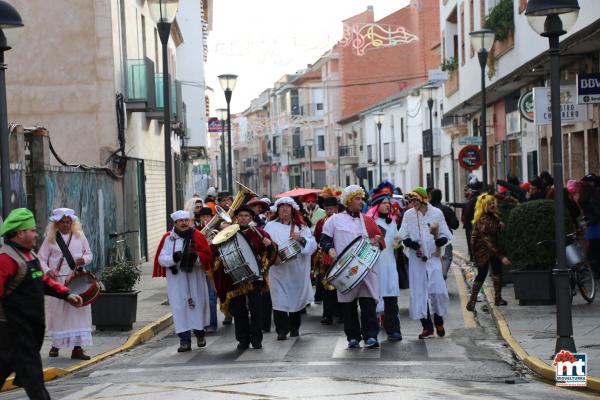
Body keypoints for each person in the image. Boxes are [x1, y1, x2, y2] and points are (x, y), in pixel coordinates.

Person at [0, 208, 83, 400]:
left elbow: (43, 281)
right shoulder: (6, 260)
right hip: (12, 333)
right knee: (36, 385)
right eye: (32, 230)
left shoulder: (30, 256)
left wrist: (67, 294)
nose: (36, 234)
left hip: (27, 332)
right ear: (20, 233)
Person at [321, 185, 385, 349]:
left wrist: (377, 241)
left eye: (361, 198)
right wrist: (330, 249)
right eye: (358, 199)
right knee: (348, 306)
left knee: (368, 304)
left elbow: (380, 243)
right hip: (345, 269)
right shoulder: (334, 220)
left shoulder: (368, 220)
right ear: (349, 201)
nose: (361, 202)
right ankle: (353, 337)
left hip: (366, 269)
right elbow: (325, 238)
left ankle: (371, 335)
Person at [212, 205, 278, 349]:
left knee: (256, 309)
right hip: (234, 279)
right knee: (238, 310)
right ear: (236, 218)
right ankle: (243, 339)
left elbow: (272, 255)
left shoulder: (260, 233)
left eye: (246, 216)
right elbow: (218, 253)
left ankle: (256, 339)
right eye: (240, 216)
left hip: (255, 277)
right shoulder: (228, 234)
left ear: (251, 218)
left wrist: (269, 246)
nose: (243, 218)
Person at [38, 208, 93, 360]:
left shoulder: (79, 236)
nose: (66, 224)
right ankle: (56, 345)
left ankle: (77, 348)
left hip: (77, 279)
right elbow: (41, 258)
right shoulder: (51, 239)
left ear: (73, 222)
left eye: (68, 222)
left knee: (78, 313)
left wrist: (85, 260)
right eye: (62, 222)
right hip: (59, 282)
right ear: (56, 223)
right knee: (59, 314)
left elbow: (89, 253)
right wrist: (48, 270)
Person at [154, 211, 213, 352]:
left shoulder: (198, 236)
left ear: (190, 221)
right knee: (179, 308)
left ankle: (200, 334)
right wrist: (174, 259)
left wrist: (195, 258)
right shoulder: (168, 239)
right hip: (177, 280)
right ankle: (184, 340)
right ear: (175, 223)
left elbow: (207, 255)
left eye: (186, 220)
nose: (184, 223)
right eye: (180, 221)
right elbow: (161, 259)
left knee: (198, 305)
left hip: (195, 278)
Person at [399, 187, 452, 339]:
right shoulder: (408, 215)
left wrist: (442, 240)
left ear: (422, 199)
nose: (412, 203)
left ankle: (439, 320)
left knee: (437, 290)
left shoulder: (436, 213)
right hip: (417, 259)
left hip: (433, 257)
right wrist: (407, 242)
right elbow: (403, 234)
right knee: (419, 292)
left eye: (415, 200)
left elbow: (445, 233)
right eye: (410, 201)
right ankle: (427, 327)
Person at [264, 197, 317, 340]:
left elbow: (313, 245)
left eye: (287, 207)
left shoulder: (301, 227)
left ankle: (294, 328)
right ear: (277, 210)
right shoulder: (269, 226)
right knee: (278, 300)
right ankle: (281, 330)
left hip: (296, 270)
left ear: (292, 210)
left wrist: (301, 239)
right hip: (277, 270)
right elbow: (263, 245)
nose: (285, 209)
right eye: (282, 207)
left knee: (295, 299)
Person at [466, 194, 512, 311]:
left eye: (493, 203)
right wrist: (501, 257)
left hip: (492, 250)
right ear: (484, 206)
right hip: (482, 251)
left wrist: (500, 226)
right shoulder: (483, 220)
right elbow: (487, 242)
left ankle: (498, 298)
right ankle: (472, 300)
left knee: (497, 272)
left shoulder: (493, 217)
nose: (492, 205)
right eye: (489, 203)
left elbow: (495, 231)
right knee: (482, 274)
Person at [369, 192, 402, 341]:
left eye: (389, 203)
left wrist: (398, 242)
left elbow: (395, 242)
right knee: (373, 300)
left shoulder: (392, 222)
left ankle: (393, 329)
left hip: (389, 265)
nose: (388, 205)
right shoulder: (371, 223)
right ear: (376, 206)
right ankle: (372, 332)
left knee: (391, 298)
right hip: (376, 266)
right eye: (384, 203)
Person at [312, 196, 340, 325]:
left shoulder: (342, 220)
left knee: (340, 286)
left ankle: (341, 314)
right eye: (327, 209)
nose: (329, 211)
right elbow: (317, 239)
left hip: (341, 257)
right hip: (326, 259)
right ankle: (327, 314)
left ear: (336, 208)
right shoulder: (321, 222)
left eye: (332, 209)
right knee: (326, 288)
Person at [429, 189, 460, 280]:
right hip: (445, 238)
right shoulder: (447, 209)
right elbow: (455, 225)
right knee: (446, 257)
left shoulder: (427, 210)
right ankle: (443, 273)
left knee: (432, 259)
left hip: (431, 239)